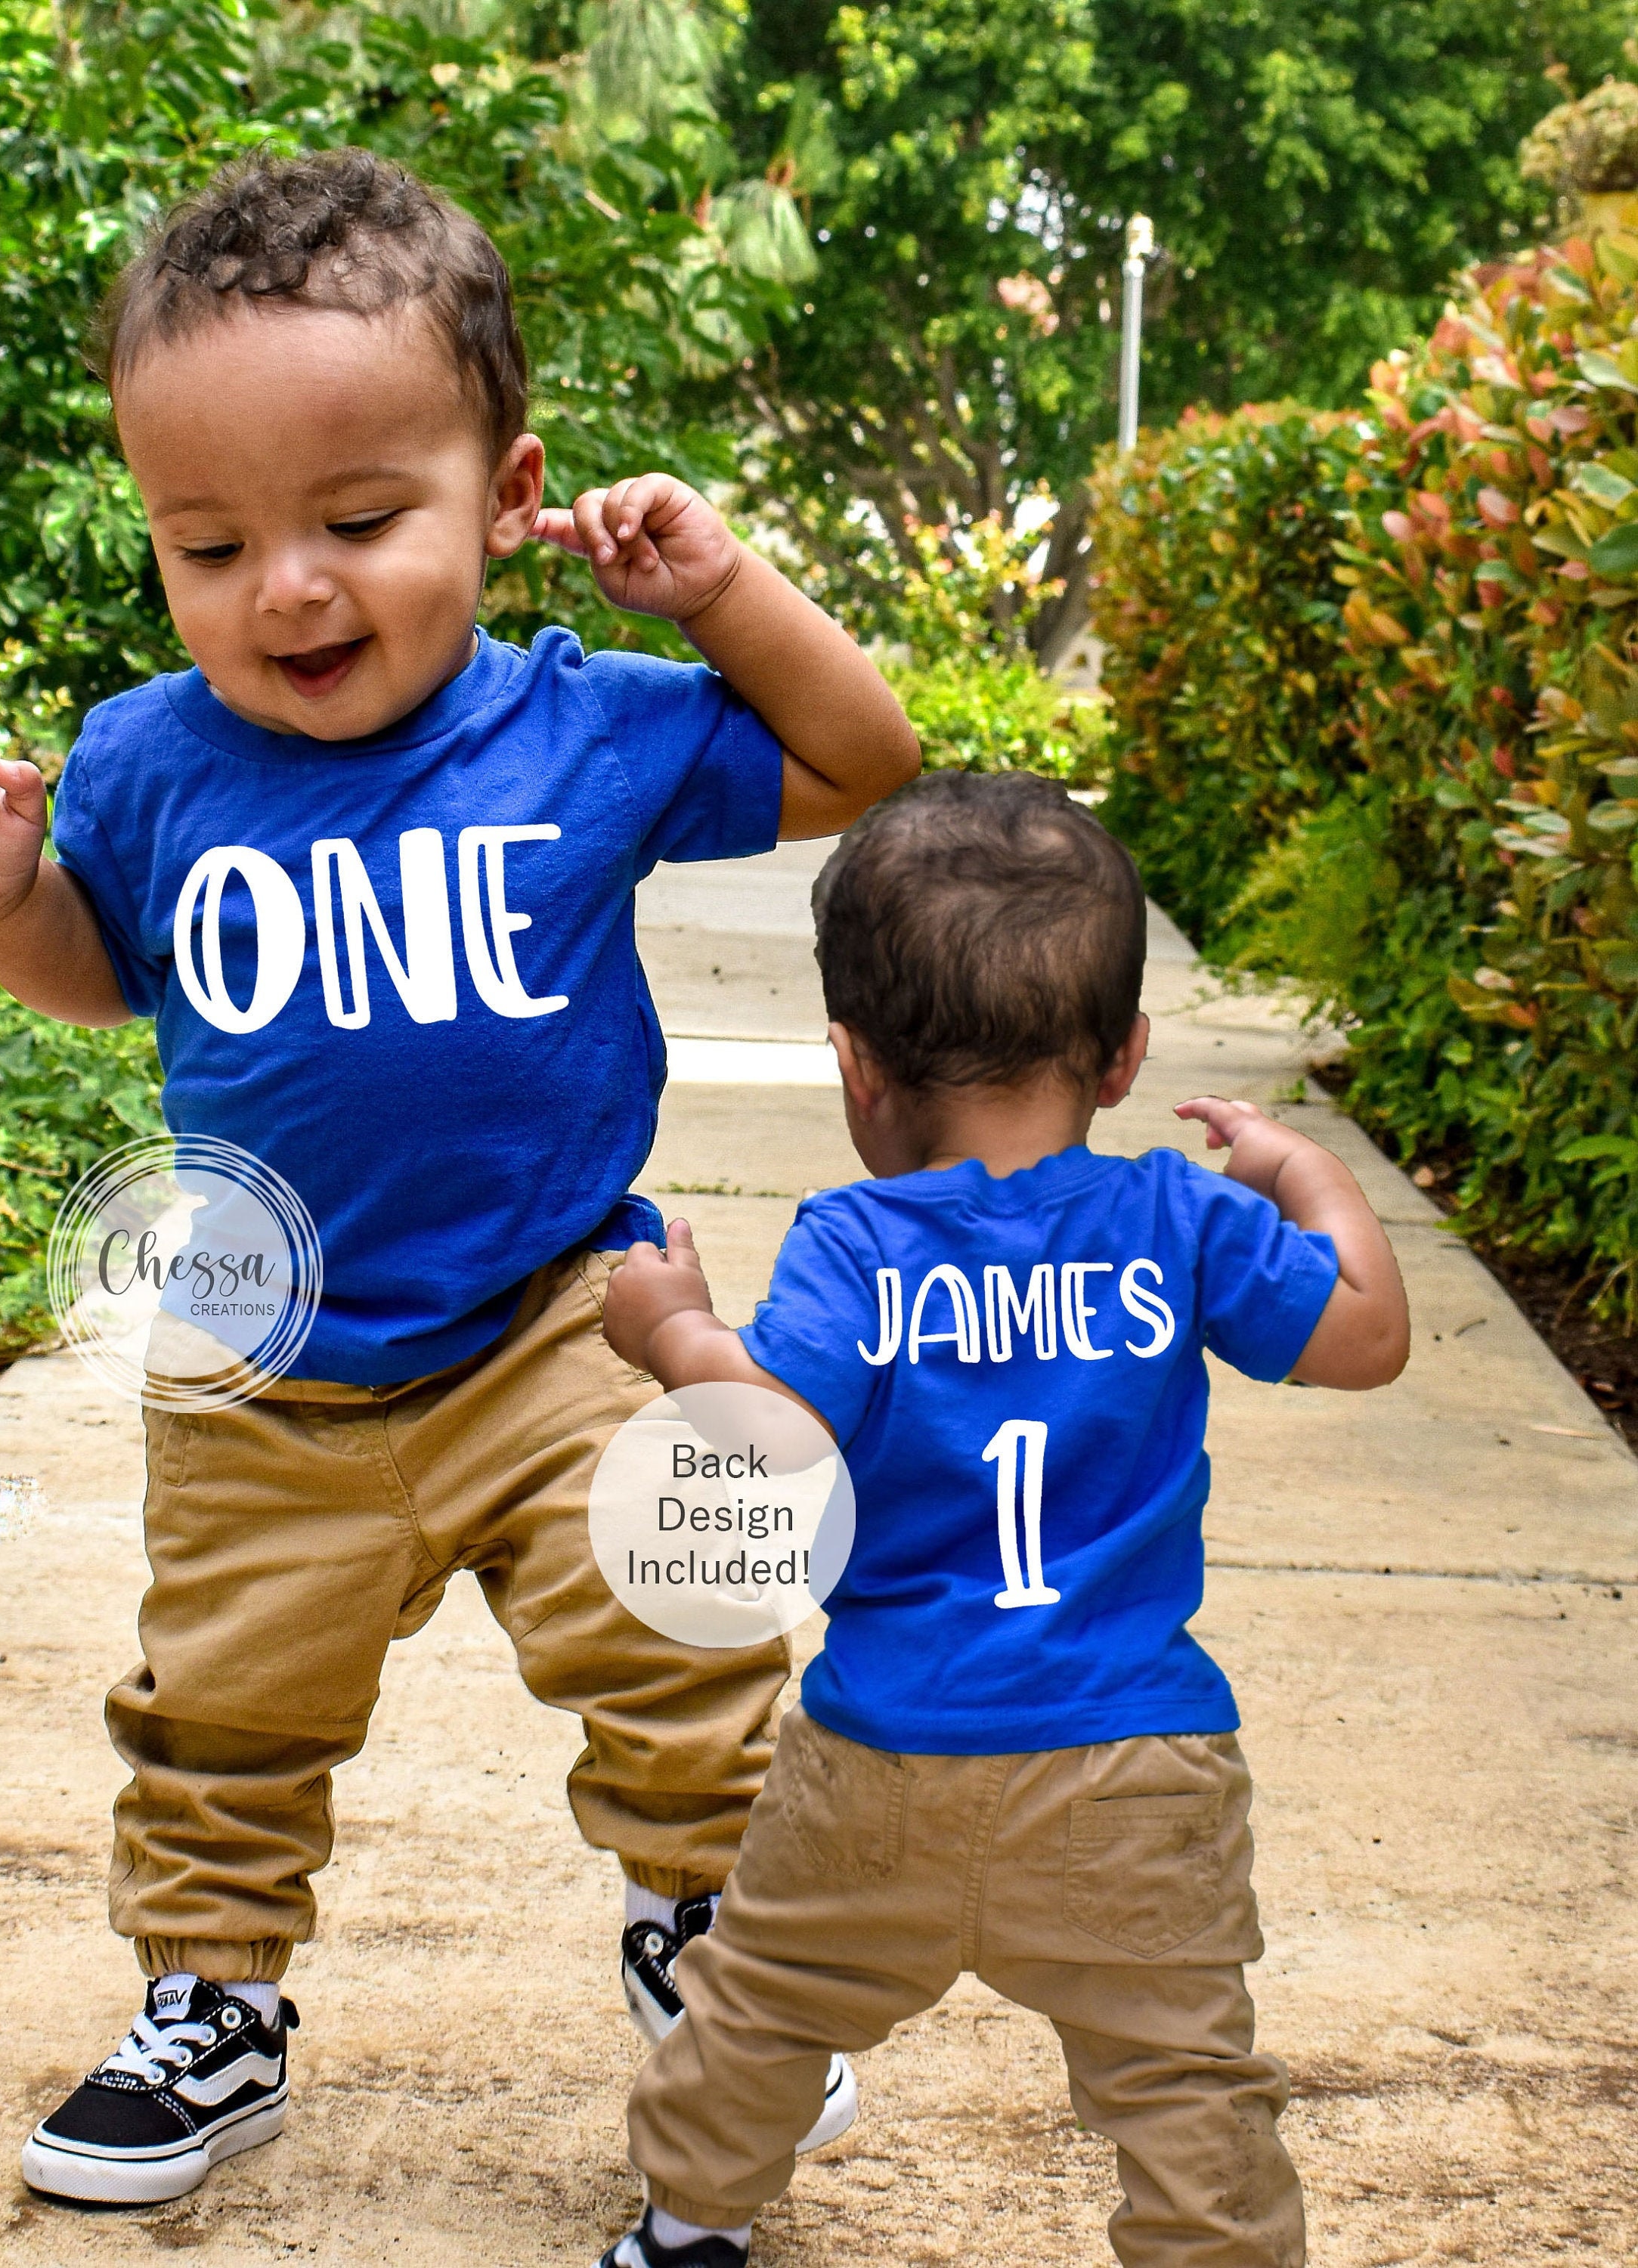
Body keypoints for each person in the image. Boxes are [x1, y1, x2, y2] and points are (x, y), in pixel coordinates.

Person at [0, 147, 920, 2206]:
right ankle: (214, 2002)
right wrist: (7, 905)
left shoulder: (586, 729)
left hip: (560, 1315)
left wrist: (725, 594)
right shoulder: (148, 760)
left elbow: (861, 757)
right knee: (222, 1708)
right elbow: (115, 980)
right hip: (268, 1357)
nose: (288, 589)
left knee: (691, 1636)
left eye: (360, 521)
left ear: (508, 498)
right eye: (210, 542)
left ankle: (721, 1947)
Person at [592, 769, 1410, 2268]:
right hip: (1135, 1767)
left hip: (884, 1756)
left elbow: (768, 1436)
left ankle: (688, 2230)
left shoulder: (857, 1242)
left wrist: (676, 1334)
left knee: (759, 2005)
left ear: (856, 1069)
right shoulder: (1185, 1220)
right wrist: (1306, 1177)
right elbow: (1365, 1334)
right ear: (1122, 1063)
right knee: (1185, 2080)